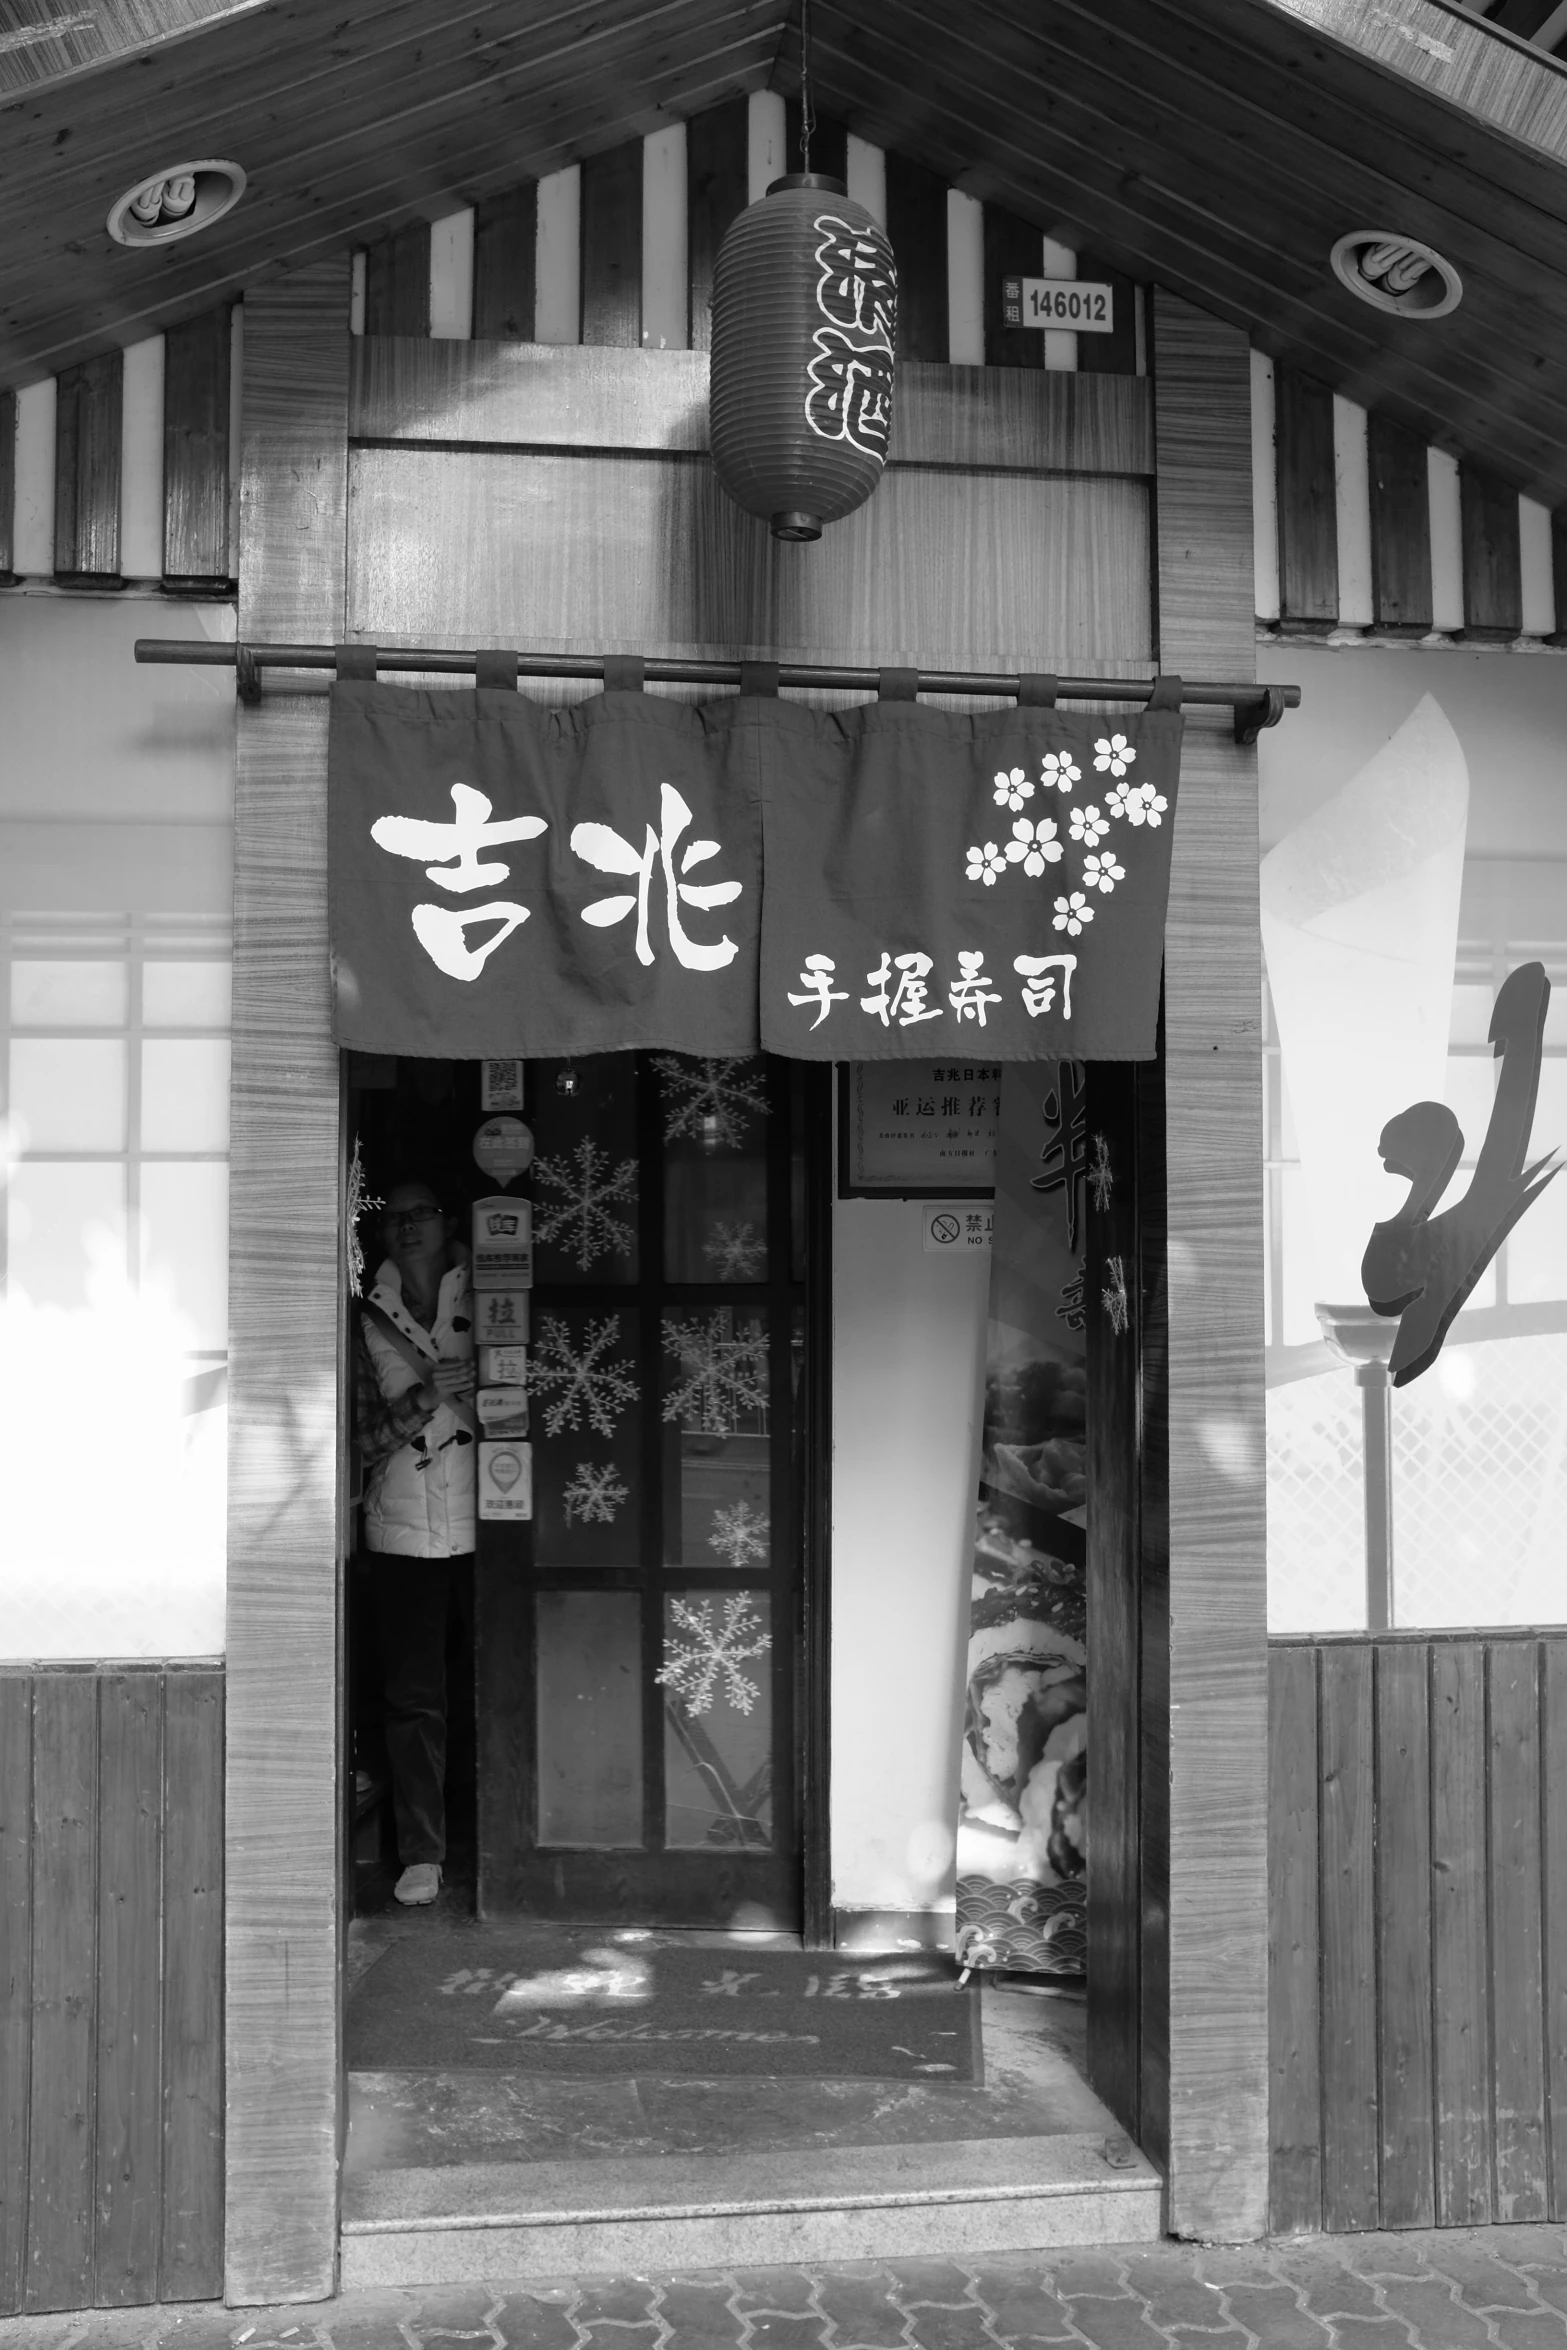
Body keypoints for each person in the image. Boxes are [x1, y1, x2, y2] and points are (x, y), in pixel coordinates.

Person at [355, 1177, 477, 1905]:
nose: (407, 1227)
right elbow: (362, 1439)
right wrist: (425, 1398)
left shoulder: (494, 1290)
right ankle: (422, 1853)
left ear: (449, 1220)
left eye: (420, 1213)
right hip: (401, 1529)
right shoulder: (368, 1318)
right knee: (412, 1700)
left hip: (493, 1517)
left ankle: (499, 1834)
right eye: (394, 1218)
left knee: (489, 1684)